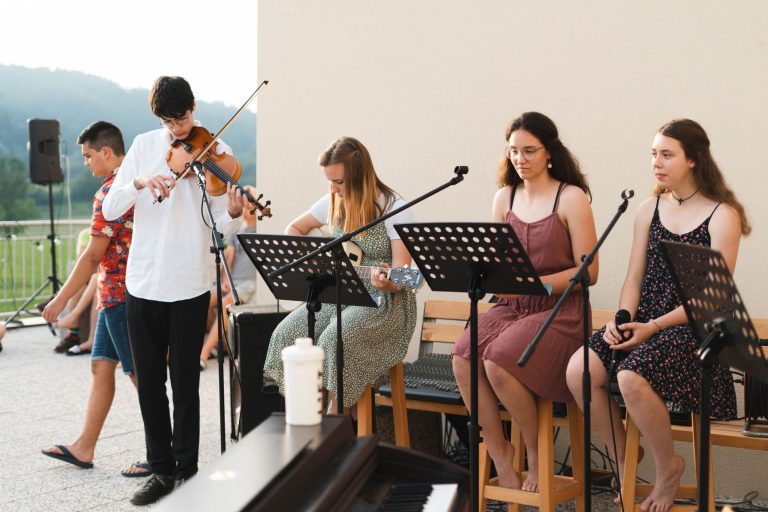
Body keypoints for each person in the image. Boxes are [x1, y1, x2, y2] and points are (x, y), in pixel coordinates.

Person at [565, 118, 749, 512]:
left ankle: (668, 469)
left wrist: (654, 326)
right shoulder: (648, 208)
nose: (656, 163)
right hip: (644, 321)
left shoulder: (722, 214)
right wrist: (622, 317)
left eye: (667, 155)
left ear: (693, 159)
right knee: (579, 369)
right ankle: (625, 462)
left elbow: (711, 299)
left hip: (692, 331)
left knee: (631, 377)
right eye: (653, 154)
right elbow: (634, 276)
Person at [101, 76, 250, 506]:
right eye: (168, 121)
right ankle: (160, 470)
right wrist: (139, 182)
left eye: (181, 118)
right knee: (149, 383)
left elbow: (220, 224)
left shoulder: (217, 152)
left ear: (193, 107)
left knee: (185, 383)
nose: (176, 128)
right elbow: (110, 208)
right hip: (143, 280)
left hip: (188, 282)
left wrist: (234, 213)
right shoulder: (145, 146)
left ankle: (187, 470)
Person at [451, 112, 598, 492]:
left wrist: (538, 285)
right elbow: (498, 262)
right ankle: (500, 451)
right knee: (463, 355)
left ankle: (536, 453)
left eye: (529, 150)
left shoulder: (571, 197)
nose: (520, 158)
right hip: (513, 308)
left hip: (560, 312)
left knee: (499, 361)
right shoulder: (505, 197)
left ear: (549, 152)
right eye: (513, 151)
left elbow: (590, 271)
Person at [263, 136, 418, 412]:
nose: (334, 189)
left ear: (359, 177)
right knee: (287, 334)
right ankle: (303, 416)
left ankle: (335, 424)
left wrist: (387, 284)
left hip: (384, 303)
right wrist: (311, 258)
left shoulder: (394, 209)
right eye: (330, 182)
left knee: (334, 340)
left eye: (339, 182)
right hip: (339, 293)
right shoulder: (333, 201)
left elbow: (401, 277)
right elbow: (294, 229)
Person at [40, 121, 147, 475]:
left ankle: (163, 452)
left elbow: (91, 256)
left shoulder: (110, 193)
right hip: (116, 295)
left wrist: (60, 301)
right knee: (101, 365)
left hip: (121, 296)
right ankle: (84, 447)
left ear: (106, 152)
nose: (86, 163)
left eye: (88, 156)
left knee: (139, 375)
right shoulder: (136, 184)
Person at [199, 185, 260, 370]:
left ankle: (203, 355)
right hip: (233, 282)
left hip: (249, 284)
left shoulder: (260, 230)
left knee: (226, 303)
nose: (246, 205)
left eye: (249, 201)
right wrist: (226, 280)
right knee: (202, 299)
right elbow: (229, 259)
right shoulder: (237, 230)